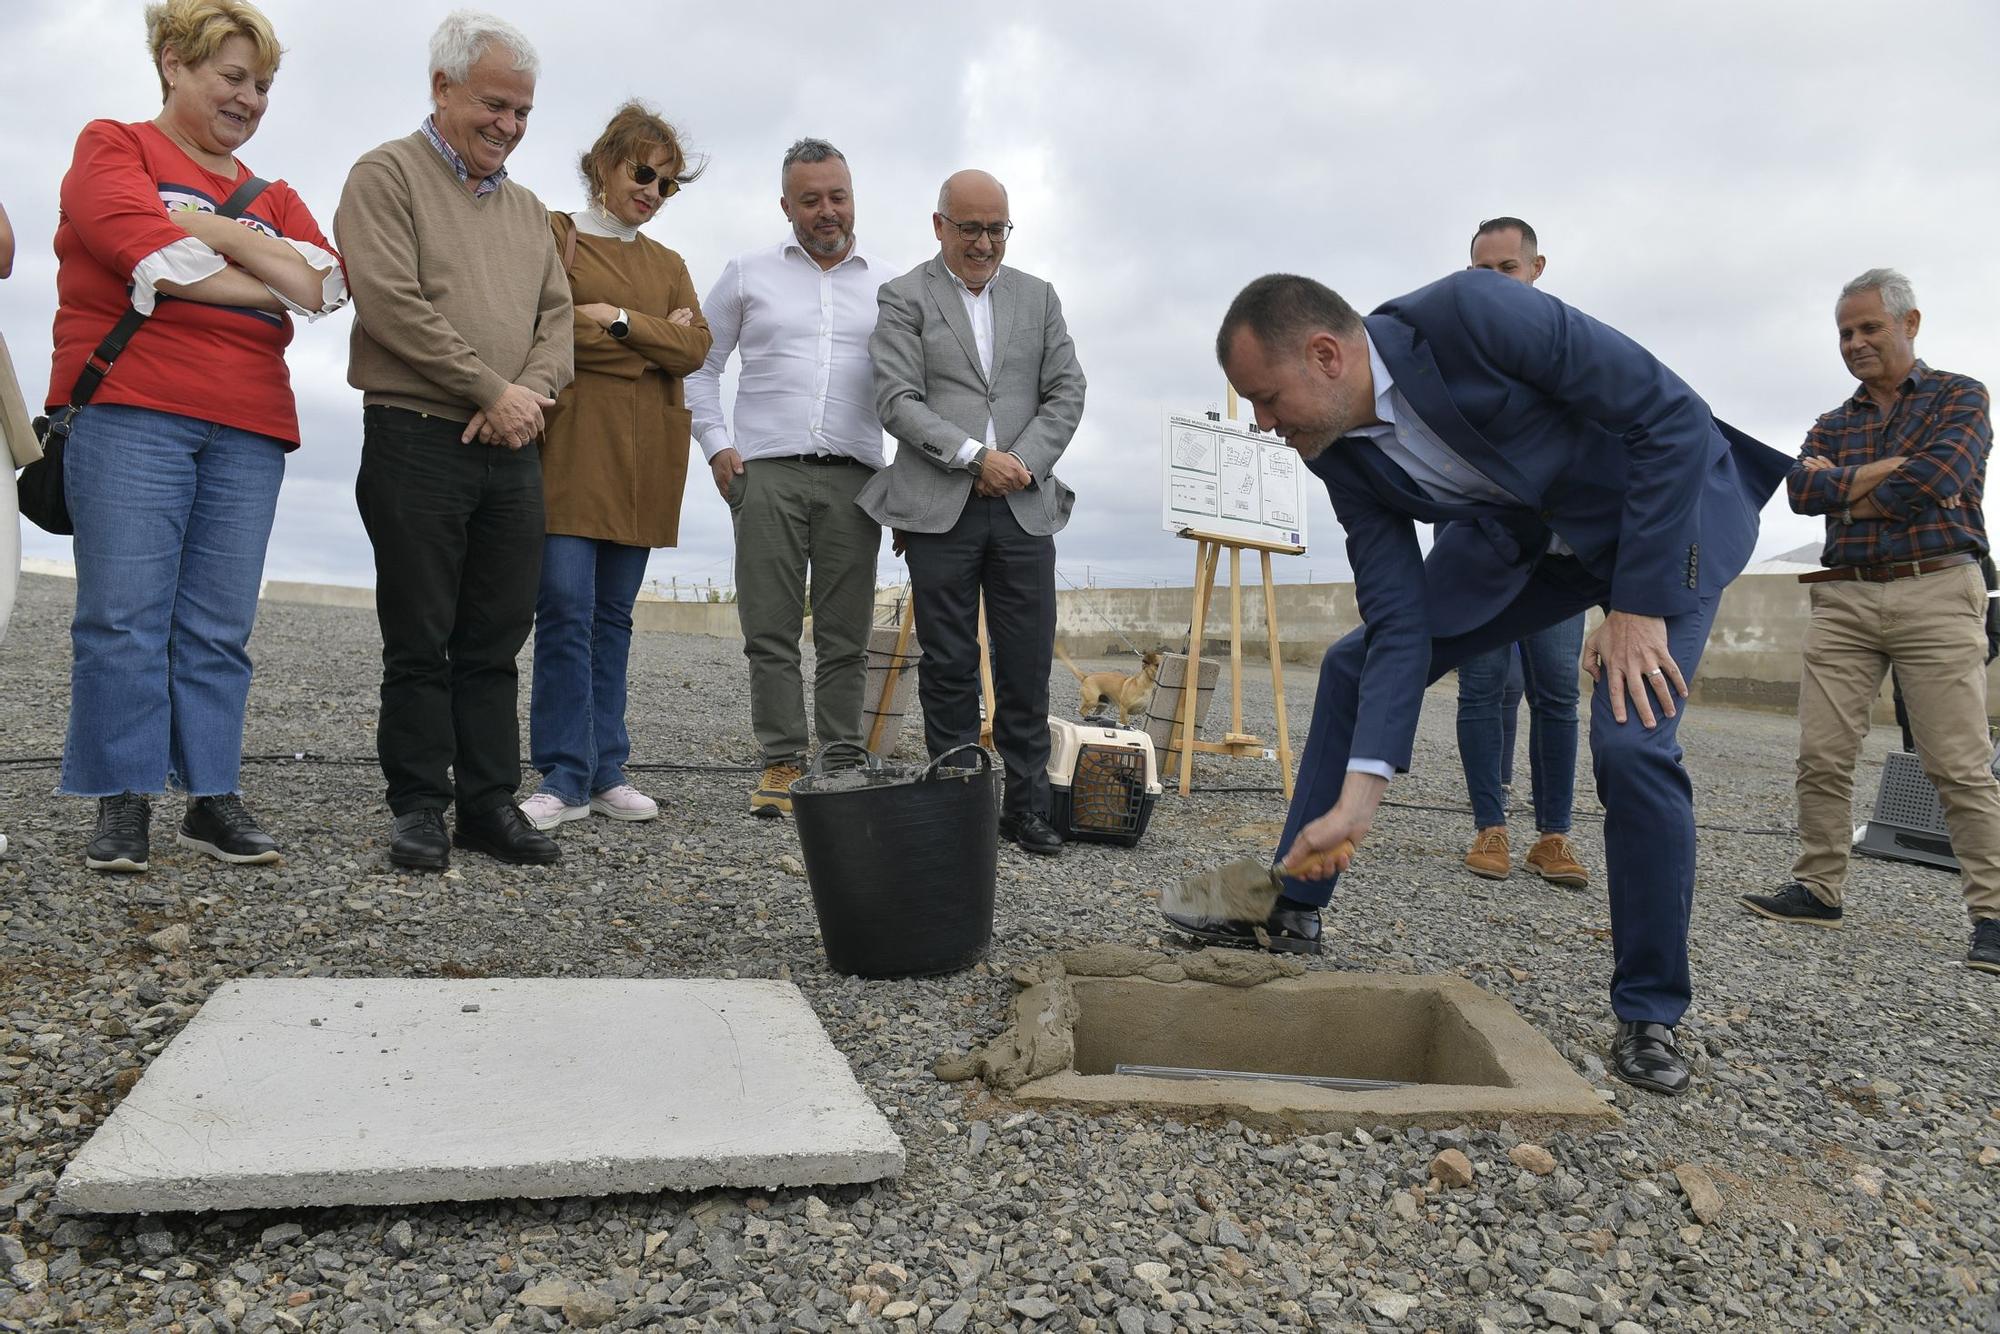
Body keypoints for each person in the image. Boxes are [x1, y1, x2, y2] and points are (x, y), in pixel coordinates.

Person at [1186, 272, 1789, 1095]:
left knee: (1630, 738)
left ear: (1326, 355)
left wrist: (1637, 604)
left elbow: (1669, 419)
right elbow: (1399, 619)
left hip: (1662, 519)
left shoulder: (1477, 316)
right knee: (1354, 664)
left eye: (1265, 397)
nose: (1262, 423)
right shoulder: (1336, 452)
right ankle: (1294, 904)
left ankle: (1650, 1010)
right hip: (1524, 551)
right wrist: (1365, 790)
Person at [48, 0, 345, 874]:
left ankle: (212, 796)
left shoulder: (278, 191)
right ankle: (123, 801)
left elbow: (326, 285)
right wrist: (264, 262)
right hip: (131, 408)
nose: (249, 97)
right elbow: (145, 255)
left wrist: (209, 228)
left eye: (262, 84)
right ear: (173, 63)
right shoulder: (114, 145)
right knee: (123, 617)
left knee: (218, 624)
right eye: (232, 75)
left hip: (252, 423)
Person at [337, 9, 572, 871]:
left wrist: (528, 396)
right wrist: (490, 389)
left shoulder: (532, 213)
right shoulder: (384, 175)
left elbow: (558, 324)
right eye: (493, 105)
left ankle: (486, 805)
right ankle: (418, 808)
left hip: (512, 449)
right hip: (414, 436)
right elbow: (390, 303)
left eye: (522, 113)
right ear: (442, 88)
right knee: (420, 633)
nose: (507, 126)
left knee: (495, 639)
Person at [1742, 269, 2000, 976]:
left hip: (1937, 590)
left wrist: (1848, 489)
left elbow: (1933, 484)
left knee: (1957, 764)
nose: (1854, 343)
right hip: (1847, 597)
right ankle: (1819, 888)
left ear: (1909, 323)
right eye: (1845, 333)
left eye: (1868, 328)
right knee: (1822, 754)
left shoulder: (1962, 396)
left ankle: (1993, 914)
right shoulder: (1832, 421)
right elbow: (1799, 491)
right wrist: (1885, 473)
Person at [862, 171, 1086, 856]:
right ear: (939, 226)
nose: (985, 243)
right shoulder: (903, 297)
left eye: (998, 229)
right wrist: (972, 457)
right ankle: (959, 808)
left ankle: (1027, 809)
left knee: (1025, 666)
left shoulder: (1039, 297)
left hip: (1024, 505)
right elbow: (896, 398)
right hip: (939, 508)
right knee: (951, 663)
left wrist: (1019, 460)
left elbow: (1067, 389)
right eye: (971, 229)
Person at [519, 103, 711, 832]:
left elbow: (697, 351)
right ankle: (562, 774)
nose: (652, 191)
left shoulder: (669, 264)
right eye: (641, 172)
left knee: (612, 618)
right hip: (571, 451)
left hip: (645, 463)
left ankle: (605, 770)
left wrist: (620, 320)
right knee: (565, 610)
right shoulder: (554, 236)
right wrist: (654, 342)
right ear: (603, 162)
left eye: (667, 184)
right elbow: (550, 327)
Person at [687, 139, 886, 817]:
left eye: (838, 196)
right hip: (764, 476)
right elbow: (698, 366)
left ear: (852, 195)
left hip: (857, 481)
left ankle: (840, 761)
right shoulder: (746, 273)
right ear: (786, 205)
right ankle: (781, 762)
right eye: (810, 200)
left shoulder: (889, 286)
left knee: (845, 635)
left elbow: (914, 390)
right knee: (769, 629)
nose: (826, 212)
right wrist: (717, 446)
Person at [1452, 218, 1589, 889]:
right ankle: (1491, 826)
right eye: (1482, 271)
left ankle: (1554, 836)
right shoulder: (1459, 357)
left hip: (1559, 558)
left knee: (1558, 692)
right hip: (1485, 550)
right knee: (1483, 686)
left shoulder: (1571, 348)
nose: (1494, 281)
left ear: (1537, 269)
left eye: (1507, 267)